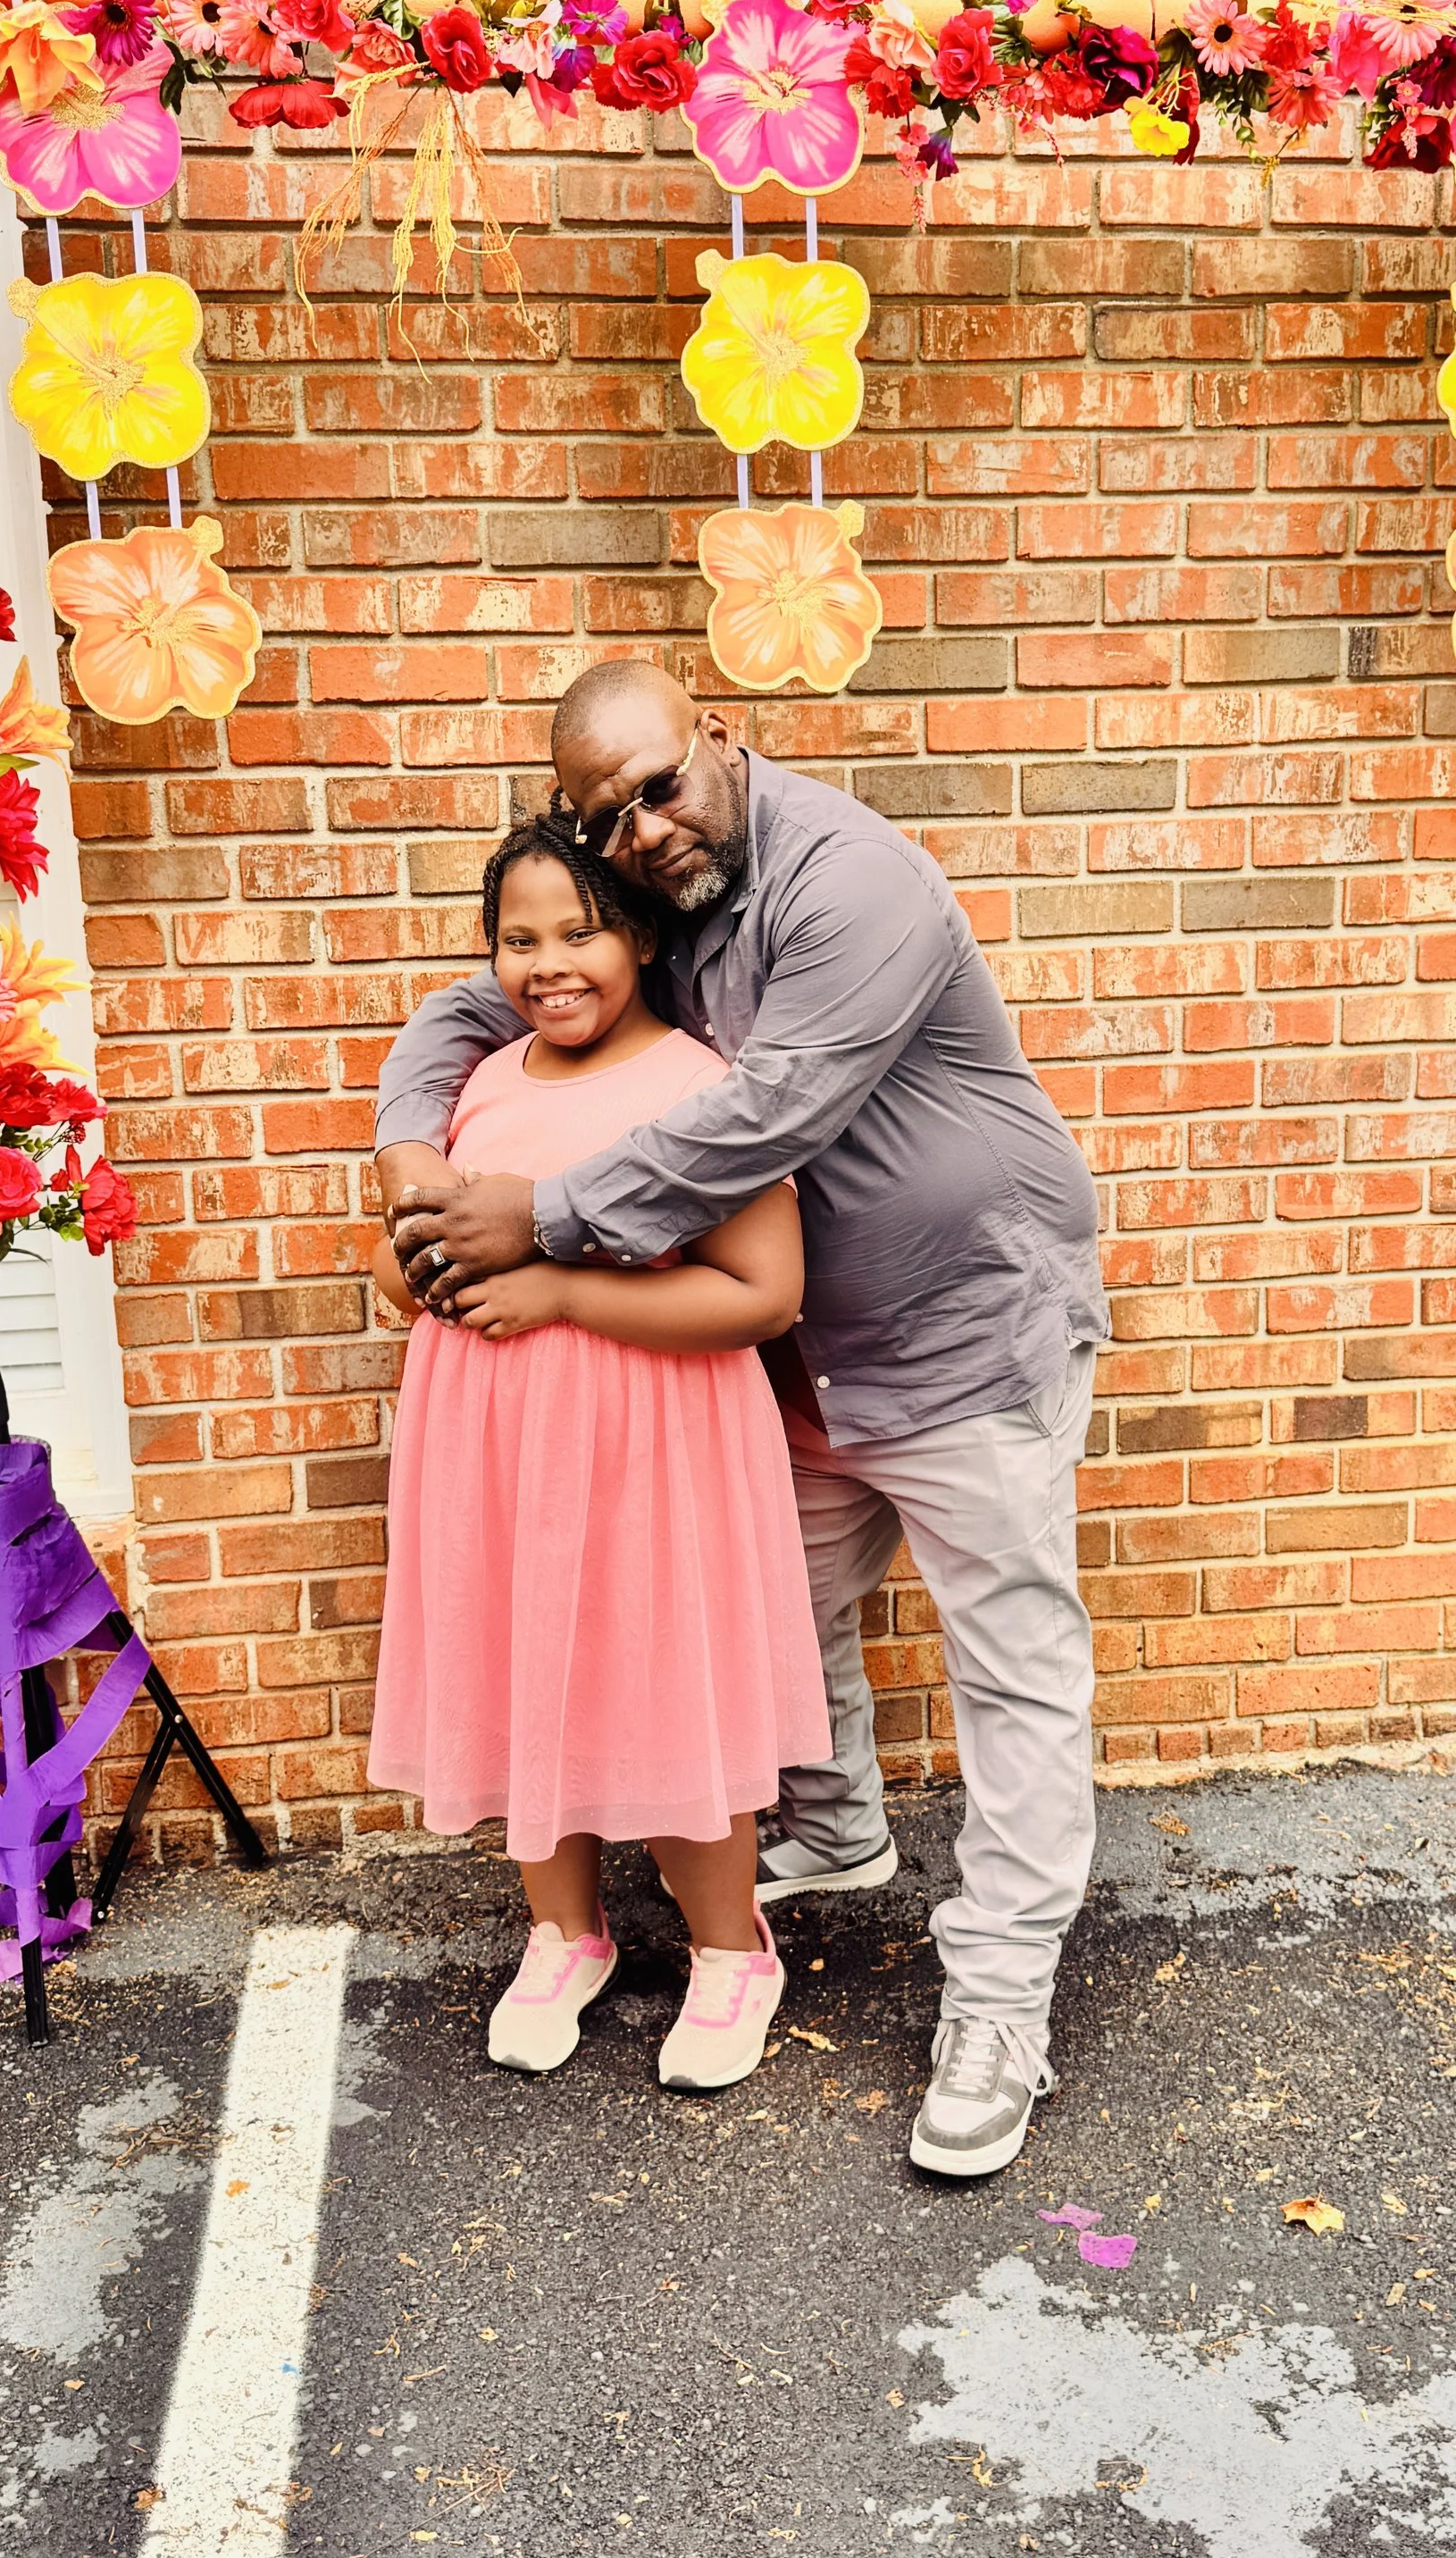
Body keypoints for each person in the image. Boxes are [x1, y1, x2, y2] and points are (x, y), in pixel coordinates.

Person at [377, 658, 1109, 2180]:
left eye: (660, 786)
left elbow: (767, 1114)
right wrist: (402, 1144)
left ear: (721, 731)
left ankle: (999, 2004)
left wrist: (546, 1225)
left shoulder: (854, 883)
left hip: (968, 1329)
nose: (644, 829)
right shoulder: (669, 890)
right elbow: (471, 999)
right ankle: (835, 1826)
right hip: (802, 1364)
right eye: (607, 816)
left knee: (1015, 1674)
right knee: (765, 1599)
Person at [369, 810, 831, 2092]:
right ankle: (564, 1932)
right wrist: (417, 1255)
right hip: (498, 1449)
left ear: (639, 933)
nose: (549, 962)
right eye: (518, 939)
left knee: (666, 1683)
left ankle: (732, 1951)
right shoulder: (479, 1082)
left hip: (653, 1449)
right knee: (529, 1679)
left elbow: (764, 1294)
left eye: (581, 930)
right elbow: (406, 1253)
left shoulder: (696, 1087)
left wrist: (564, 1294)